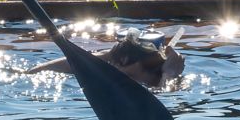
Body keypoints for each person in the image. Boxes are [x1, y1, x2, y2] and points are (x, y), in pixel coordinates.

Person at [33, 34, 186, 89]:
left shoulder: (167, 84)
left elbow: (166, 93)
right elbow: (36, 71)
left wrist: (170, 73)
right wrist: (106, 56)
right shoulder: (120, 67)